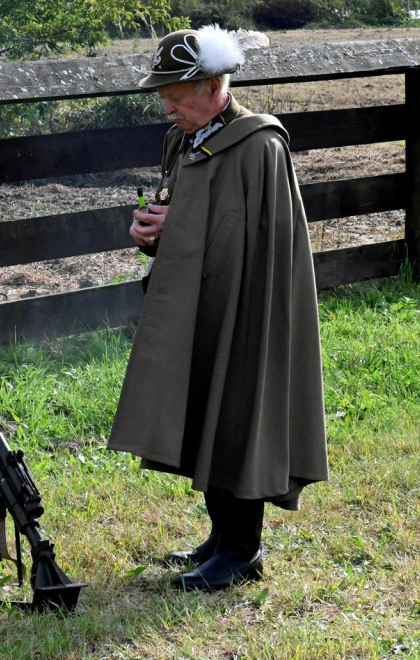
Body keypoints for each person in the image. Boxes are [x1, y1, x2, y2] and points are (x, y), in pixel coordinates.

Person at [108, 26, 329, 591]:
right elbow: (182, 215)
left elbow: (261, 240)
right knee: (201, 404)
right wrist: (150, 233)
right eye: (162, 96)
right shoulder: (181, 140)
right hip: (196, 300)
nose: (168, 106)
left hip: (247, 305)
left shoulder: (259, 144)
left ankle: (242, 549)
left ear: (213, 86)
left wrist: (175, 228)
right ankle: (217, 536)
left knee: (238, 412)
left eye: (177, 96)